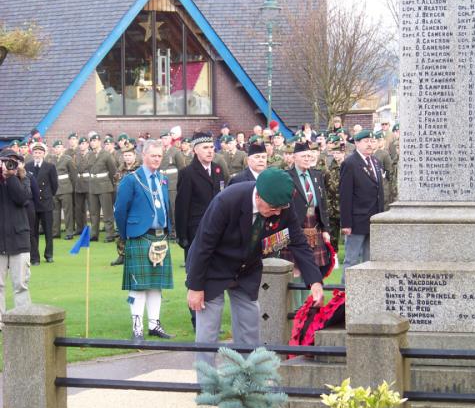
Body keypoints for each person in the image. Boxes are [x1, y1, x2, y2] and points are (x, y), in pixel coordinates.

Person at [186, 167, 325, 366]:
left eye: (281, 208)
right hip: (212, 268)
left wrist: (314, 281)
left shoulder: (283, 206)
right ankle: (207, 387)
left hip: (246, 270)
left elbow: (298, 242)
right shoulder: (227, 201)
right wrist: (195, 287)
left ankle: (247, 382)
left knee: (250, 332)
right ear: (258, 195)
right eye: (273, 207)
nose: (277, 213)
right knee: (207, 334)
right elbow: (203, 245)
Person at [114, 140, 175, 340]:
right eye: (153, 155)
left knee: (156, 286)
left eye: (159, 156)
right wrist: (126, 235)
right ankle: (137, 326)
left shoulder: (162, 179)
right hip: (139, 237)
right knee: (137, 286)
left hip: (160, 237)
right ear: (144, 155)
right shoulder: (132, 180)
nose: (157, 159)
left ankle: (154, 324)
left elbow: (165, 206)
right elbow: (120, 211)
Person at [175, 132, 226, 327]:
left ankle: (212, 319)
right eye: (205, 148)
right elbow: (181, 206)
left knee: (215, 274)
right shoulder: (187, 173)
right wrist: (182, 236)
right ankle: (197, 319)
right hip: (195, 232)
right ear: (195, 150)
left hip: (218, 232)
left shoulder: (219, 170)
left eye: (212, 147)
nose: (210, 151)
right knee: (195, 273)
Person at [280, 142, 330, 307]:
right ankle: (297, 310)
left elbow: (322, 204)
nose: (307, 159)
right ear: (294, 157)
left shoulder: (316, 175)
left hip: (314, 225)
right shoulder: (286, 176)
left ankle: (310, 306)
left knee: (312, 268)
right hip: (296, 227)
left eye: (309, 155)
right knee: (296, 271)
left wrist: (325, 228)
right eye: (303, 156)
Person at [339, 129, 384, 283]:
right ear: (357, 143)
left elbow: (379, 192)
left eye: (372, 141)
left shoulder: (376, 162)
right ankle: (343, 297)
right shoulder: (350, 163)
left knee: (369, 261)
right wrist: (346, 223)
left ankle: (365, 293)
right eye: (366, 141)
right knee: (351, 261)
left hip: (374, 220)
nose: (370, 144)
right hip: (356, 221)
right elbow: (345, 195)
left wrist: (381, 218)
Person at [0, 148, 32, 326]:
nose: (9, 165)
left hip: (19, 241)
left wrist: (12, 177)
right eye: (6, 161)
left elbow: (22, 199)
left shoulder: (24, 179)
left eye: (13, 161)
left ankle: (24, 321)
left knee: (20, 284)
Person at [25, 142, 58, 263]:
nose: (37, 154)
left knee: (48, 231)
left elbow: (55, 185)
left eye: (39, 152)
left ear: (44, 154)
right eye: (35, 152)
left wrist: (48, 196)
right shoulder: (27, 166)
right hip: (33, 204)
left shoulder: (50, 166)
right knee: (33, 232)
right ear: (32, 154)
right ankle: (35, 257)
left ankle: (49, 254)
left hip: (46, 202)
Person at [111, 141, 142, 266]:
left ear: (134, 156)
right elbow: (116, 186)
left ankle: (135, 255)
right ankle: (122, 255)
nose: (127, 158)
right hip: (122, 204)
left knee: (135, 230)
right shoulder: (120, 169)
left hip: (135, 205)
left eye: (129, 155)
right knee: (120, 229)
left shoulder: (140, 169)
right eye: (125, 155)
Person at [88, 133, 117, 242]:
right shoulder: (89, 155)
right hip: (92, 186)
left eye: (95, 141)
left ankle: (110, 234)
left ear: (99, 142)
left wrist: (112, 185)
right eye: (91, 141)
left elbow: (113, 171)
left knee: (107, 212)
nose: (93, 143)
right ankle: (94, 234)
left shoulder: (106, 155)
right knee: (94, 212)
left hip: (105, 186)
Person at [51, 140, 77, 240]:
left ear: (63, 148)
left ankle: (69, 232)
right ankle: (55, 232)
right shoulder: (50, 159)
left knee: (68, 212)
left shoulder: (68, 159)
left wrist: (72, 188)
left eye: (59, 147)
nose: (58, 149)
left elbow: (73, 175)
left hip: (66, 188)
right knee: (55, 212)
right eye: (56, 147)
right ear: (53, 149)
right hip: (54, 189)